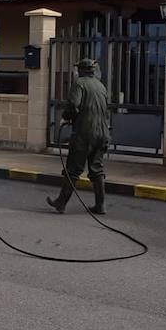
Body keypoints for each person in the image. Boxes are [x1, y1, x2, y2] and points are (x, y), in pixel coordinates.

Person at [47, 57, 110, 215]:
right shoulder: (101, 86)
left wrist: (66, 117)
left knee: (73, 170)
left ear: (81, 70)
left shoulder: (79, 83)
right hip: (102, 133)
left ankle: (61, 203)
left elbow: (74, 105)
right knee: (97, 169)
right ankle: (100, 205)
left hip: (84, 134)